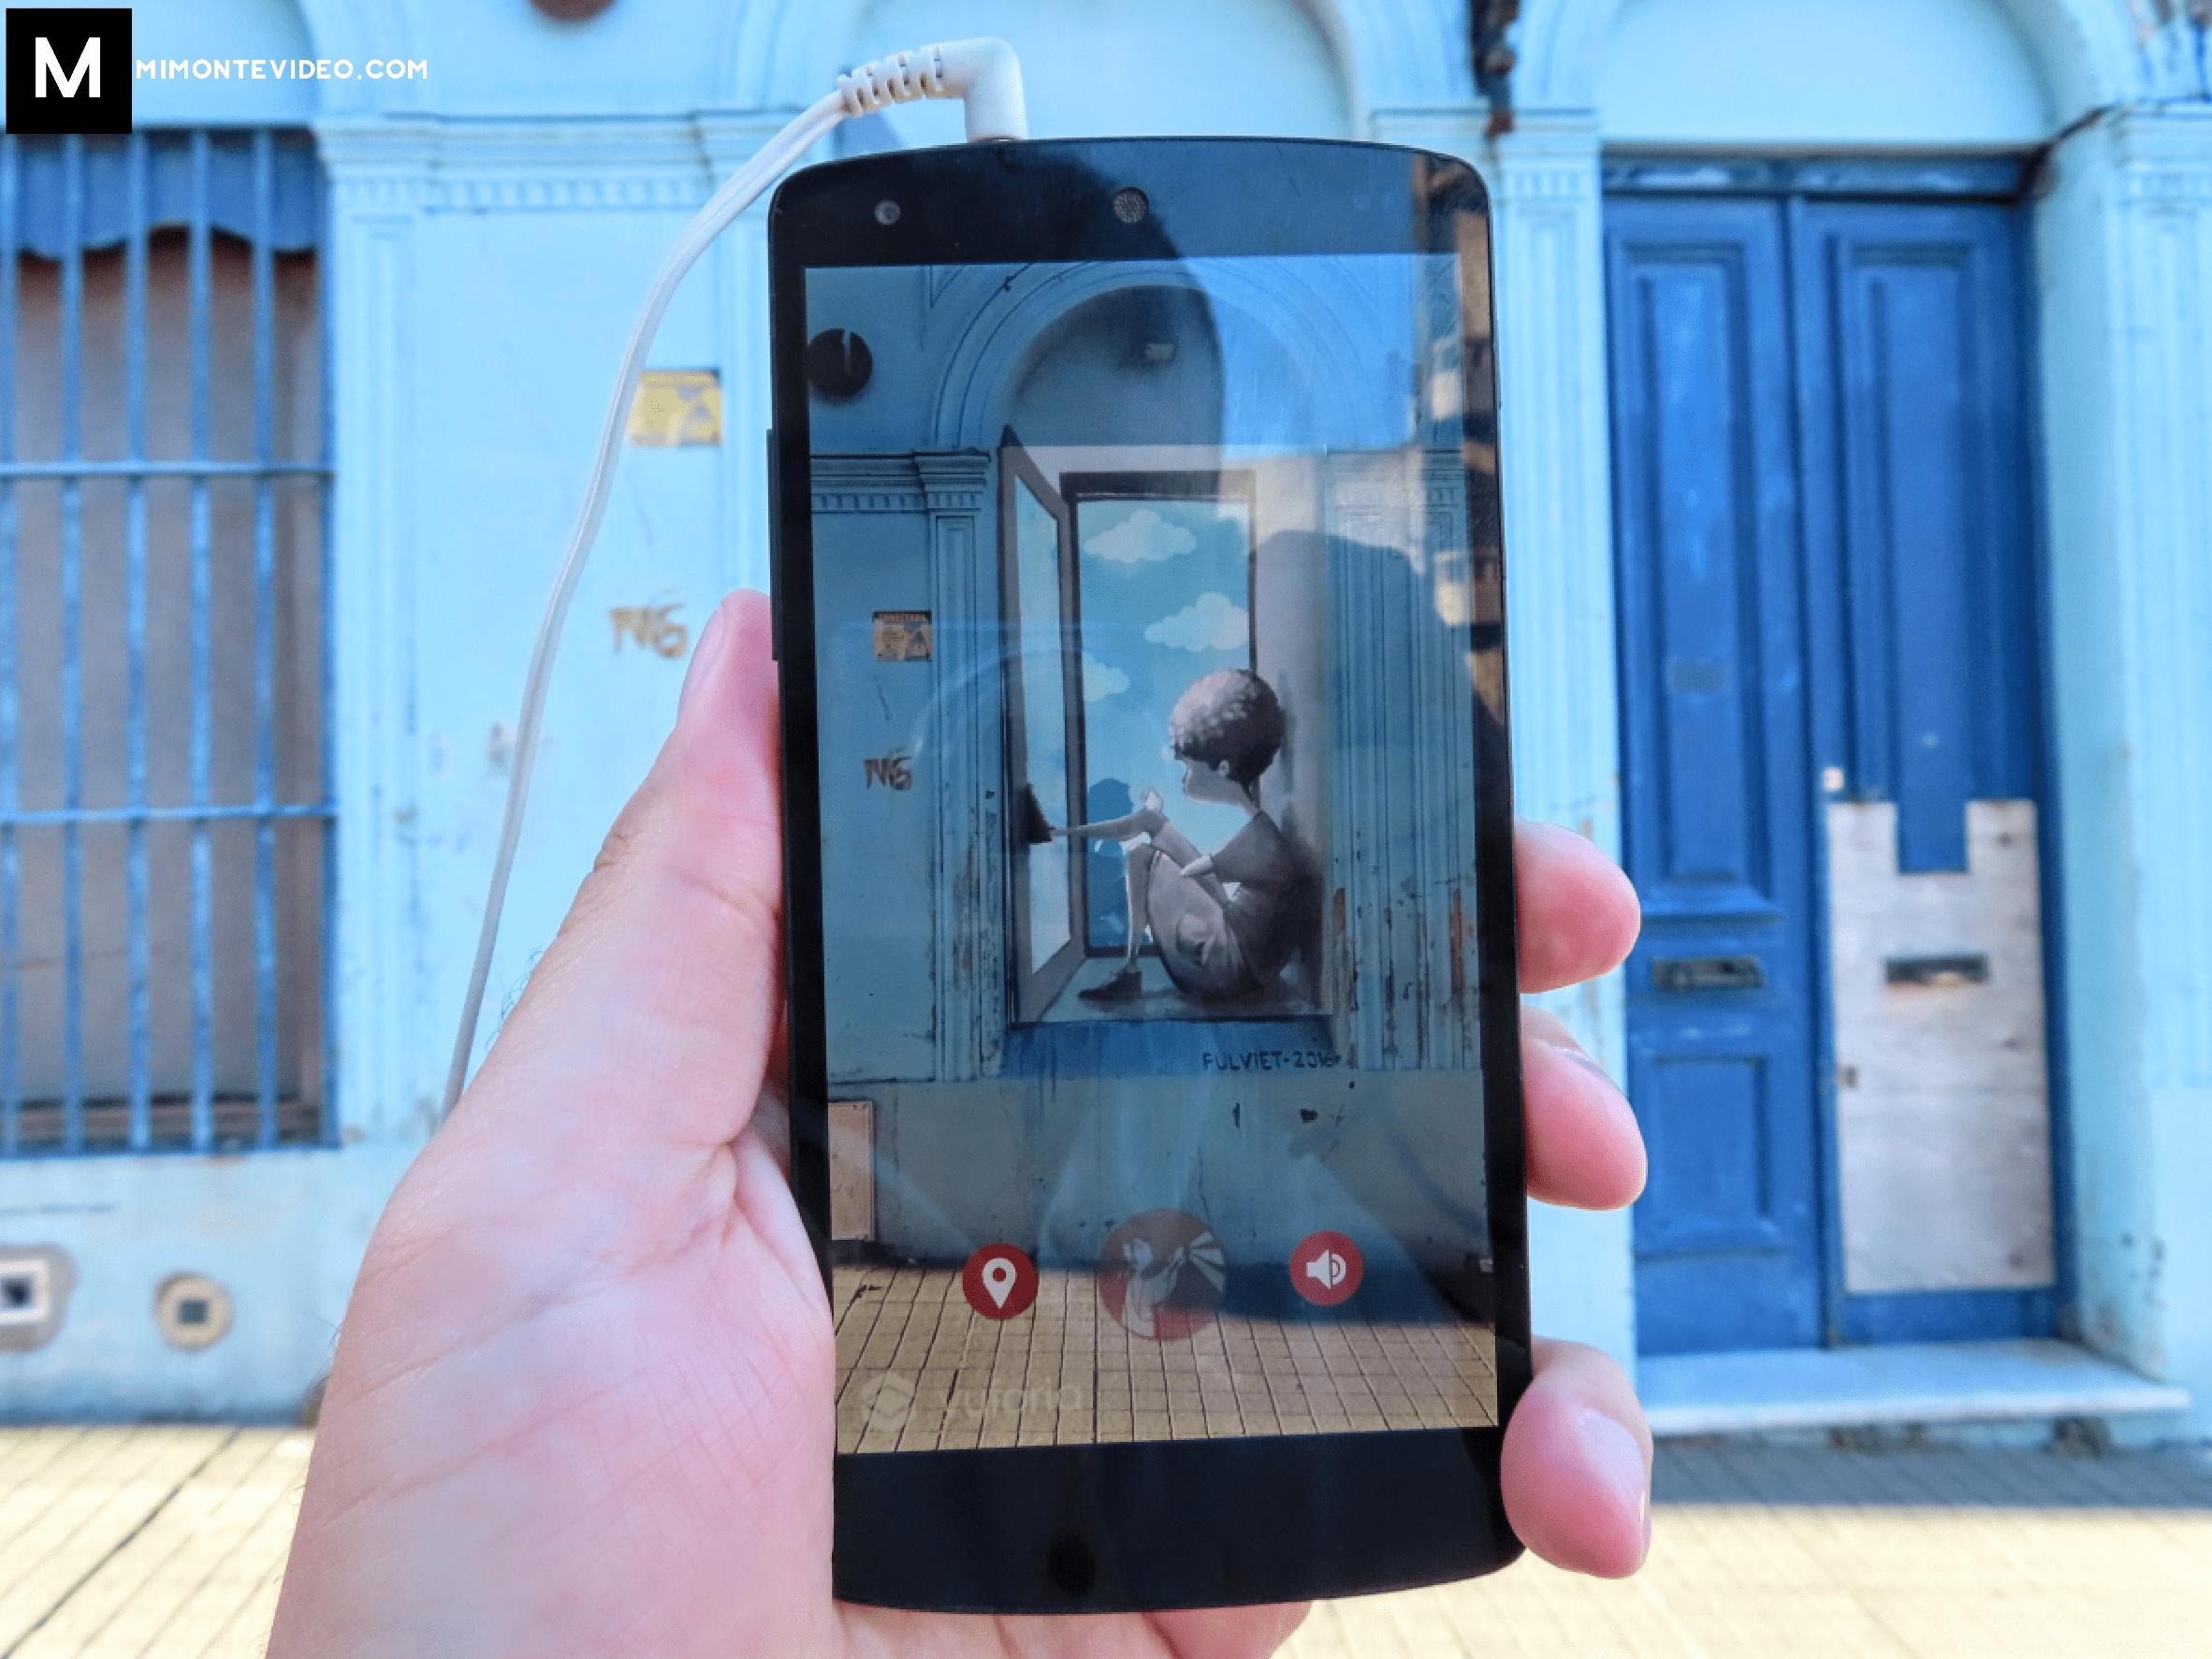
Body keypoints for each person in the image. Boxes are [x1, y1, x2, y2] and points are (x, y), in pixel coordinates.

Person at [269, 592, 1654, 1658]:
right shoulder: (1244, 842)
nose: (1175, 776)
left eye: (1187, 759)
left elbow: (1214, 964)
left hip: (1227, 1105)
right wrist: (1152, 849)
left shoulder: (1272, 863)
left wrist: (1160, 864)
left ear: (1225, 762)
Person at [1057, 668, 1316, 1006]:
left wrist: (1157, 829)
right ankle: (1130, 970)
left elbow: (1192, 872)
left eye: (1188, 768)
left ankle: (1129, 971)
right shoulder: (1262, 830)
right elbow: (1208, 882)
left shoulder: (1260, 841)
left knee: (1144, 852)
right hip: (1244, 966)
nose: (1182, 779)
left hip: (1227, 971)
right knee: (1146, 846)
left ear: (1222, 769)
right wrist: (1156, 828)